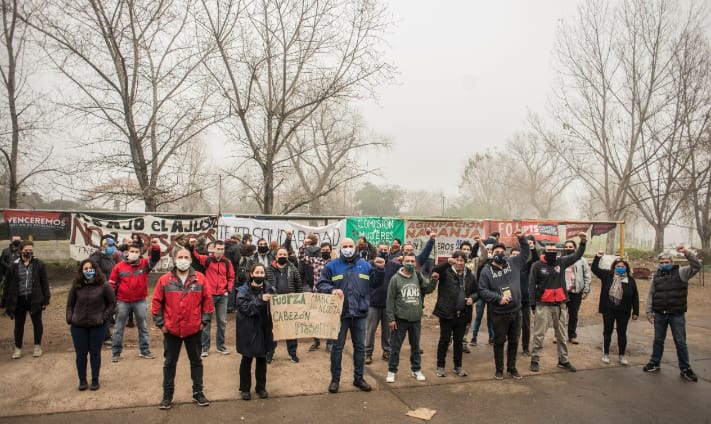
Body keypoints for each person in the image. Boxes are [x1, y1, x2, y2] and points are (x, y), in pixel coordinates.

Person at [317, 238, 385, 394]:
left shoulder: (365, 265)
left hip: (360, 314)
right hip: (340, 314)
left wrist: (380, 270)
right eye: (344, 246)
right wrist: (331, 289)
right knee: (337, 348)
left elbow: (375, 283)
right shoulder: (332, 266)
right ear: (340, 248)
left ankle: (359, 378)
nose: (348, 248)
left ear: (355, 248)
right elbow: (321, 284)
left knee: (360, 348)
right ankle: (335, 379)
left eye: (350, 246)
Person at [152, 247, 214, 409]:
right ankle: (167, 395)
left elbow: (208, 302)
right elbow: (156, 302)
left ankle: (198, 393)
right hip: (171, 329)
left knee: (196, 362)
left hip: (193, 329)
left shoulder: (200, 278)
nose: (183, 259)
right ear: (174, 259)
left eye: (186, 256)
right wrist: (161, 324)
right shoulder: (165, 280)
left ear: (191, 260)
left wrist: (204, 322)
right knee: (170, 363)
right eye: (180, 256)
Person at [366, 236, 435, 364]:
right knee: (370, 330)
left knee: (387, 331)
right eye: (381, 249)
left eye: (386, 250)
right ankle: (367, 353)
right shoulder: (370, 264)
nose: (383, 251)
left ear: (389, 251)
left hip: (389, 305)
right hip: (373, 303)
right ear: (377, 250)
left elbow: (406, 274)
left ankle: (387, 351)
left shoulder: (394, 265)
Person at [528, 232, 587, 373]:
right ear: (544, 251)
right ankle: (535, 359)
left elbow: (577, 255)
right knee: (539, 334)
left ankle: (563, 360)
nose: (552, 252)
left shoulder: (561, 262)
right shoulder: (537, 265)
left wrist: (583, 241)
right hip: (543, 305)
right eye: (549, 250)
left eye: (554, 250)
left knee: (561, 334)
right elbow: (531, 286)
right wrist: (533, 305)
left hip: (560, 305)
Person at [643, 246, 701, 382]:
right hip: (660, 314)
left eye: (667, 262)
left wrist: (687, 253)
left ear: (672, 262)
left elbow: (696, 265)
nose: (664, 264)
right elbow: (651, 294)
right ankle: (655, 362)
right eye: (662, 263)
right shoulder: (656, 276)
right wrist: (648, 311)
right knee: (658, 340)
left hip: (676, 314)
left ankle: (685, 368)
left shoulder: (682, 272)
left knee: (680, 342)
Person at [477, 231, 530, 380]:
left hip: (516, 311)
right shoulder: (486, 272)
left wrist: (522, 238)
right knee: (499, 342)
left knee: (514, 341)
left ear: (505, 253)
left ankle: (512, 368)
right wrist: (498, 298)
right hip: (499, 313)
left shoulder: (513, 263)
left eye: (502, 251)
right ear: (492, 253)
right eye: (496, 252)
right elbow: (482, 290)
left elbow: (526, 253)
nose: (499, 254)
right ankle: (499, 369)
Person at [385, 252, 436, 383]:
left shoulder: (418, 276)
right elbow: (390, 300)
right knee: (395, 347)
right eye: (407, 261)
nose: (410, 263)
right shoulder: (395, 279)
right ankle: (392, 371)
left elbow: (427, 289)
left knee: (415, 346)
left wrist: (434, 280)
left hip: (415, 319)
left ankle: (416, 369)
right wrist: (391, 319)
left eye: (412, 261)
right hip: (400, 319)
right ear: (402, 262)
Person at [66, 259, 115, 391]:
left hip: (97, 325)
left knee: (95, 353)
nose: (88, 271)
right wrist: (69, 318)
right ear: (81, 271)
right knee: (81, 354)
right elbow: (70, 304)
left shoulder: (104, 286)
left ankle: (95, 379)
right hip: (78, 325)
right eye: (85, 269)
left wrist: (104, 318)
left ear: (96, 269)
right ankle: (82, 380)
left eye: (90, 268)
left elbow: (112, 303)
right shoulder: (76, 286)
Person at [109, 240, 161, 362]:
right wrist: (111, 299)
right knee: (118, 327)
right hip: (122, 301)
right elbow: (112, 283)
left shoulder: (145, 264)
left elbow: (155, 258)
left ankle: (144, 350)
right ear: (127, 253)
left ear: (140, 253)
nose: (134, 253)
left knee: (143, 326)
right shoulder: (119, 267)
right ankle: (116, 352)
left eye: (136, 252)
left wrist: (155, 247)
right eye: (132, 251)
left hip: (140, 301)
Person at [431, 250, 477, 378]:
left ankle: (458, 366)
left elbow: (476, 291)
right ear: (453, 260)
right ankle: (440, 366)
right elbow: (435, 269)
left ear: (465, 262)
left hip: (462, 314)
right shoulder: (446, 272)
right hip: (446, 313)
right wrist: (446, 263)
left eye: (462, 260)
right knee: (444, 340)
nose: (459, 263)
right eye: (457, 260)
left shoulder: (469, 275)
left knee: (458, 341)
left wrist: (472, 298)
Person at [1, 241, 50, 359]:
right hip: (19, 300)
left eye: (31, 250)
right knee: (18, 325)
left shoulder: (39, 264)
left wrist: (46, 300)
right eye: (26, 250)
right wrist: (4, 302)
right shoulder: (13, 266)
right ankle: (18, 349)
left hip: (35, 299)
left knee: (37, 323)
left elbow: (44, 282)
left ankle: (37, 347)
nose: (29, 252)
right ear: (21, 251)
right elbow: (7, 285)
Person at [236, 263, 276, 400]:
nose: (260, 275)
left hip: (264, 330)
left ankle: (261, 387)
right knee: (246, 360)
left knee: (261, 360)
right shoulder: (243, 291)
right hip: (248, 331)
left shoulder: (270, 289)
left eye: (262, 273)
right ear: (252, 274)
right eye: (257, 273)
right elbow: (246, 309)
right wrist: (261, 300)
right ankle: (245, 389)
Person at [591, 252, 639, 365]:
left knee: (622, 333)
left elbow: (635, 296)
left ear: (626, 268)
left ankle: (622, 356)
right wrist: (597, 257)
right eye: (618, 266)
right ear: (614, 267)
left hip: (624, 311)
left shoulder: (630, 280)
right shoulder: (608, 276)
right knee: (607, 332)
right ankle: (605, 354)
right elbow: (594, 269)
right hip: (609, 309)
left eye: (623, 266)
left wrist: (636, 311)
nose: (620, 268)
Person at [189, 239, 235, 357]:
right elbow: (195, 256)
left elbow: (231, 277)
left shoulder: (227, 262)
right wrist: (192, 246)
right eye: (218, 249)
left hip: (222, 296)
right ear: (213, 249)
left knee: (222, 322)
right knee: (206, 321)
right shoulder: (207, 259)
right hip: (209, 295)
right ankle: (205, 347)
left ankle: (221, 346)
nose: (220, 251)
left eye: (222, 249)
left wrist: (228, 290)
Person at [266, 246, 303, 363]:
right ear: (276, 256)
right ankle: (269, 354)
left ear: (288, 256)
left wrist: (298, 301)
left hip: (290, 305)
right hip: (273, 305)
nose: (282, 256)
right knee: (272, 330)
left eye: (284, 254)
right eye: (280, 254)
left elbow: (299, 286)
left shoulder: (293, 269)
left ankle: (292, 354)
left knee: (291, 330)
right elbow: (264, 286)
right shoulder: (268, 270)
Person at [298, 239, 333, 351]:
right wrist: (304, 245)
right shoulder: (315, 261)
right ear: (320, 251)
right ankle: (316, 341)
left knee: (330, 320)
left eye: (327, 250)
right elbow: (301, 257)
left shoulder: (335, 263)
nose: (325, 252)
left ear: (331, 251)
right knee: (315, 319)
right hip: (317, 294)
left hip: (330, 296)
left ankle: (330, 343)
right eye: (323, 250)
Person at [562, 240, 591, 344]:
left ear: (575, 248)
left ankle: (572, 335)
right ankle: (558, 335)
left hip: (575, 291)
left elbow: (587, 275)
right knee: (560, 314)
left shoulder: (582, 260)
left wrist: (586, 290)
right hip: (562, 292)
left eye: (570, 247)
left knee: (573, 315)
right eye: (566, 247)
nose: (568, 248)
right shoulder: (560, 260)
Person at [514, 237, 539, 357]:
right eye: (513, 255)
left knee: (526, 325)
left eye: (517, 255)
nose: (515, 257)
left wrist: (533, 249)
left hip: (525, 300)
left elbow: (536, 259)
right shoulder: (508, 267)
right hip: (512, 300)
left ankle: (525, 348)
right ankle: (511, 346)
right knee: (511, 325)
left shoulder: (527, 265)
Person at [471, 243, 495, 346]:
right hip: (480, 294)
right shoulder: (479, 262)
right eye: (487, 250)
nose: (489, 252)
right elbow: (479, 253)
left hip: (492, 294)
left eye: (491, 250)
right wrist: (480, 244)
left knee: (491, 317)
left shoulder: (495, 264)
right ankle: (474, 337)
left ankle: (491, 337)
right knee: (478, 316)